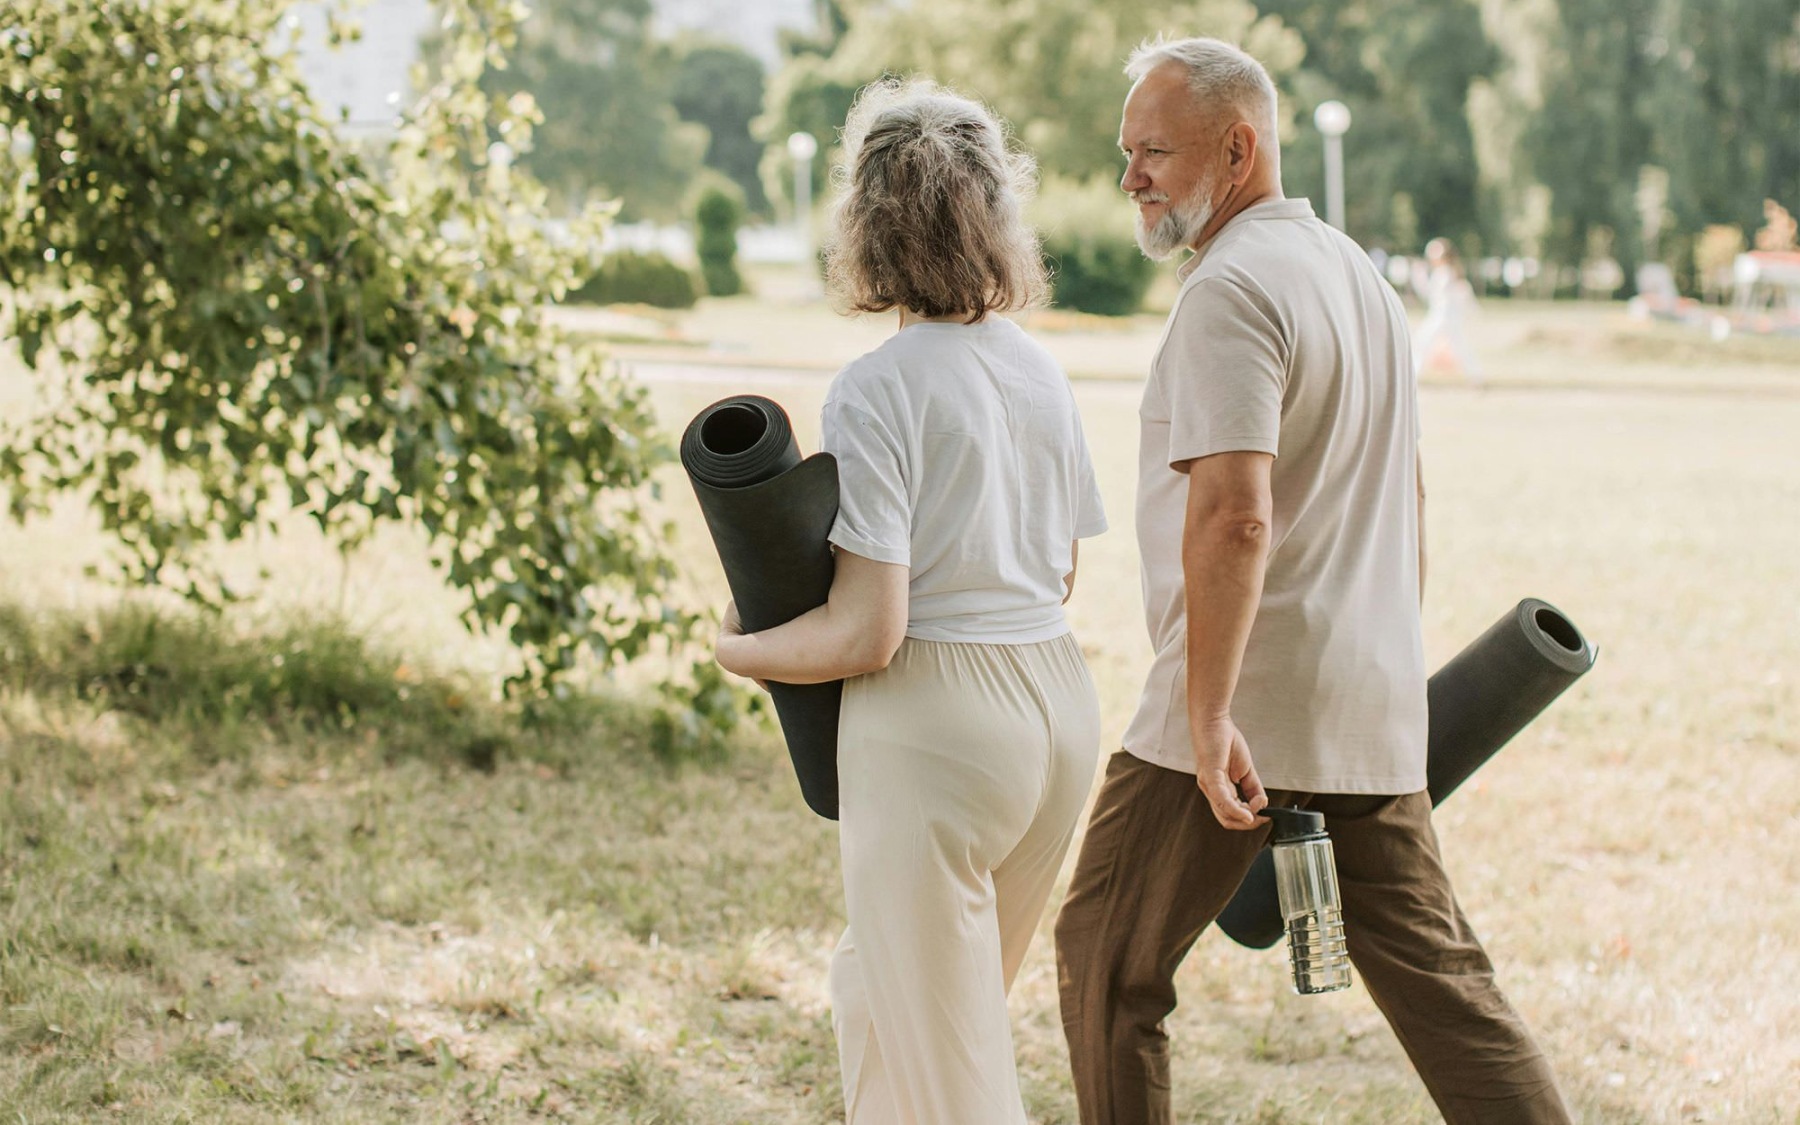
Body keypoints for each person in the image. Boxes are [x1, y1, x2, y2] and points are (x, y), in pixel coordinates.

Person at [1052, 37, 1572, 1125]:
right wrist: (1382, 669)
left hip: (1238, 705)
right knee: (1449, 993)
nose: (1130, 178)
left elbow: (1236, 513)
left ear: (1237, 149)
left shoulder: (1231, 289)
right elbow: (1408, 498)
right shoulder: (1360, 280)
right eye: (1127, 153)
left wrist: (1205, 715)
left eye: (1153, 151)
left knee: (1106, 962)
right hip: (1366, 704)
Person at [713, 79, 1108, 1125]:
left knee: (951, 1071)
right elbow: (1062, 572)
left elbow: (868, 629)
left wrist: (739, 651)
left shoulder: (879, 386)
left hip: (939, 727)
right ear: (997, 217)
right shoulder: (1040, 371)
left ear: (867, 225)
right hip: (1059, 714)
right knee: (888, 1004)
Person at [1411, 236, 1486, 386]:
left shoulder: (1444, 273)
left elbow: (1433, 294)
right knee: (1456, 346)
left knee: (1424, 342)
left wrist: (1418, 277)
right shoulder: (1448, 272)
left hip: (1443, 318)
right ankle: (1476, 375)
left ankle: (1414, 374)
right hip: (1446, 317)